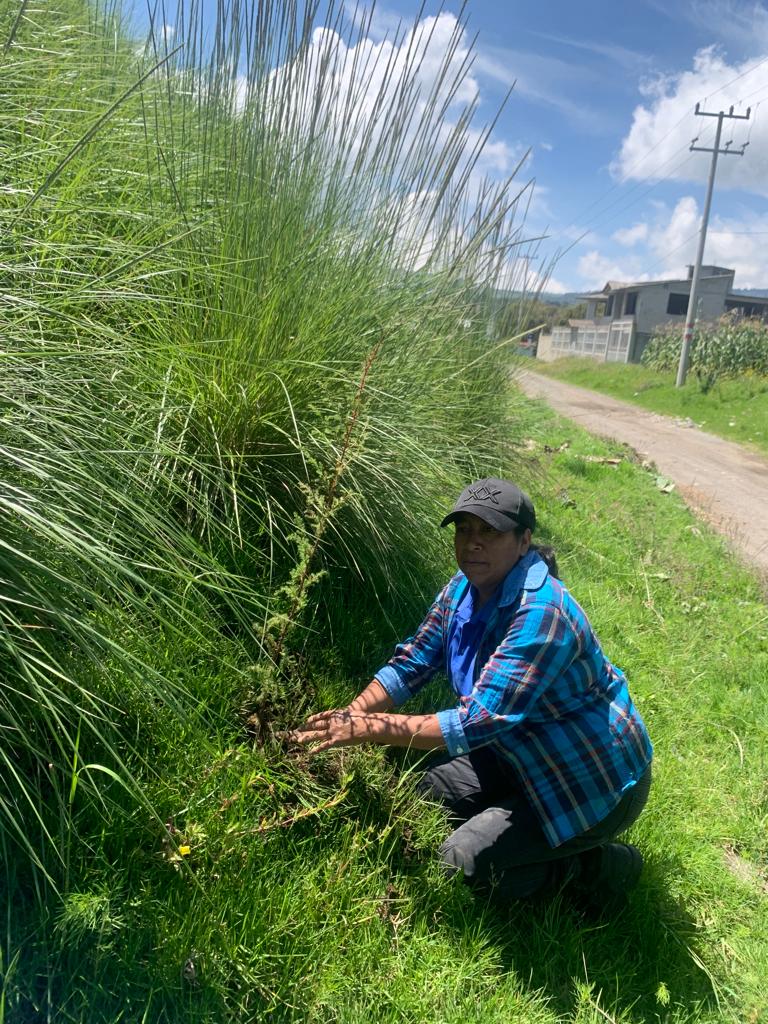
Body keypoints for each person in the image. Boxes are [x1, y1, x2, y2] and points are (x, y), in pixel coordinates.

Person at [290, 478, 653, 912]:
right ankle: (520, 828)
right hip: (511, 754)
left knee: (461, 863)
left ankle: (599, 868)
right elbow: (413, 663)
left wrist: (366, 729)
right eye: (464, 530)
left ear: (524, 542)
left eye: (490, 532)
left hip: (586, 780)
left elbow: (477, 721)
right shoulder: (461, 590)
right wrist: (347, 717)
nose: (472, 544)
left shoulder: (542, 614)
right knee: (421, 796)